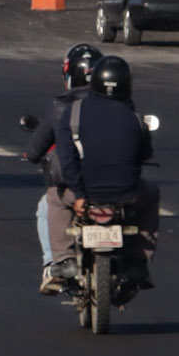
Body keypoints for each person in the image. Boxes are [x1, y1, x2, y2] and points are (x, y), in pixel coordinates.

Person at [45, 54, 160, 292]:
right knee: (152, 193)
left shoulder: (73, 112)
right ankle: (139, 260)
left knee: (54, 198)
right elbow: (144, 154)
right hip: (125, 195)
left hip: (85, 195)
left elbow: (67, 158)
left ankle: (64, 260)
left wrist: (78, 194)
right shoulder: (135, 118)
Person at [22, 44, 103, 295]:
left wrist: (30, 155)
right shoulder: (116, 104)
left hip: (76, 187)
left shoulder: (61, 107)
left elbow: (36, 151)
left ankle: (53, 263)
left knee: (48, 204)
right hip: (114, 184)